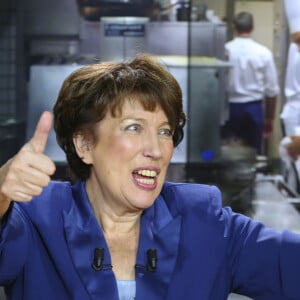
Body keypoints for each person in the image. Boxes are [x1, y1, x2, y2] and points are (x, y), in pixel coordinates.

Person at [1, 54, 300, 300]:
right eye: (134, 127)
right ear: (85, 145)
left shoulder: (204, 222)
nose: (156, 150)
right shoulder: (35, 219)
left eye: (165, 131)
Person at [224, 11, 279, 155]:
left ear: (233, 27)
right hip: (254, 108)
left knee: (230, 150)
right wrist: (269, 119)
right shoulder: (263, 52)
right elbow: (272, 91)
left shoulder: (226, 50)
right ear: (252, 28)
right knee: (254, 151)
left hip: (231, 108)